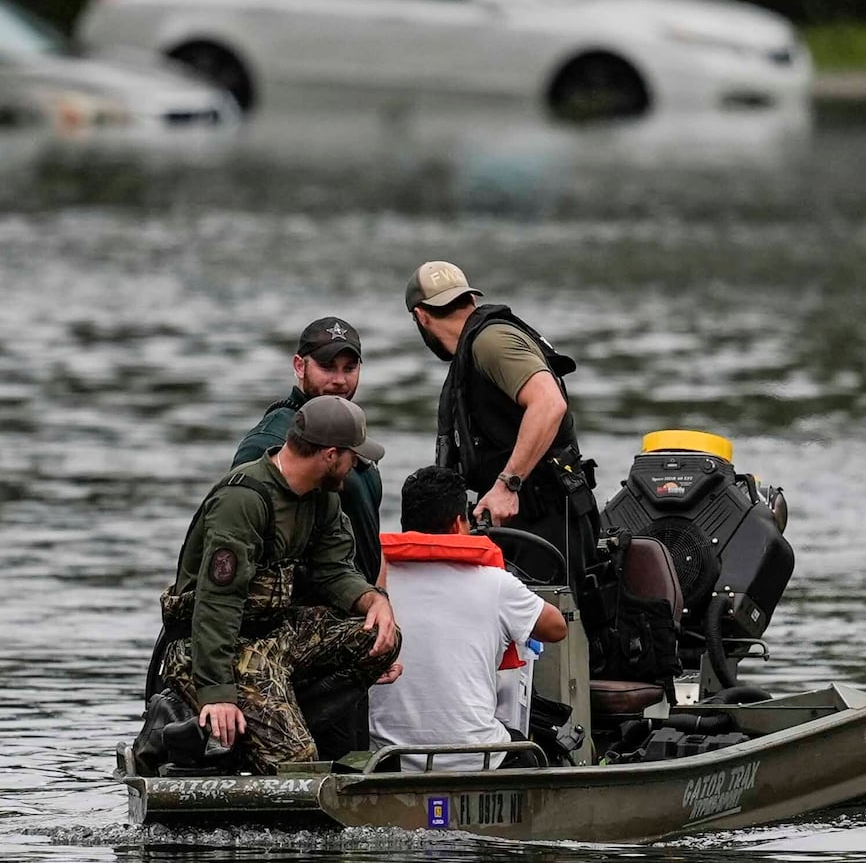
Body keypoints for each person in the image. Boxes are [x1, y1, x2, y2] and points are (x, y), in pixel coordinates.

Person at [157, 397, 402, 774]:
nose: (357, 466)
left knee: (379, 637)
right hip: (206, 649)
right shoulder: (243, 500)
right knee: (296, 764)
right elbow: (216, 605)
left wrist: (374, 601)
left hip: (274, 640)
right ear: (331, 455)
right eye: (354, 457)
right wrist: (218, 693)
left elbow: (335, 570)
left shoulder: (322, 498)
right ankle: (186, 731)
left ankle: (275, 720)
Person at [403, 260, 601, 589]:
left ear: (421, 316)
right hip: (524, 519)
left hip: (547, 519)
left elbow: (549, 404)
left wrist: (507, 485)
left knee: (547, 632)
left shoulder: (490, 342)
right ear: (469, 300)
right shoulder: (475, 347)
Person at [370, 467, 567, 771]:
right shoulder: (495, 583)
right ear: (457, 523)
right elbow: (557, 628)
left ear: (404, 524)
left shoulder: (372, 586)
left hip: (388, 761)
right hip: (477, 756)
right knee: (537, 748)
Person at [233, 317, 385, 589]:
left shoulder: (355, 439)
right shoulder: (268, 443)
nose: (340, 380)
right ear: (299, 366)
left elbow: (370, 537)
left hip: (357, 606)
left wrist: (378, 598)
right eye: (327, 367)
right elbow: (238, 545)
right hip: (304, 619)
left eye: (349, 368)